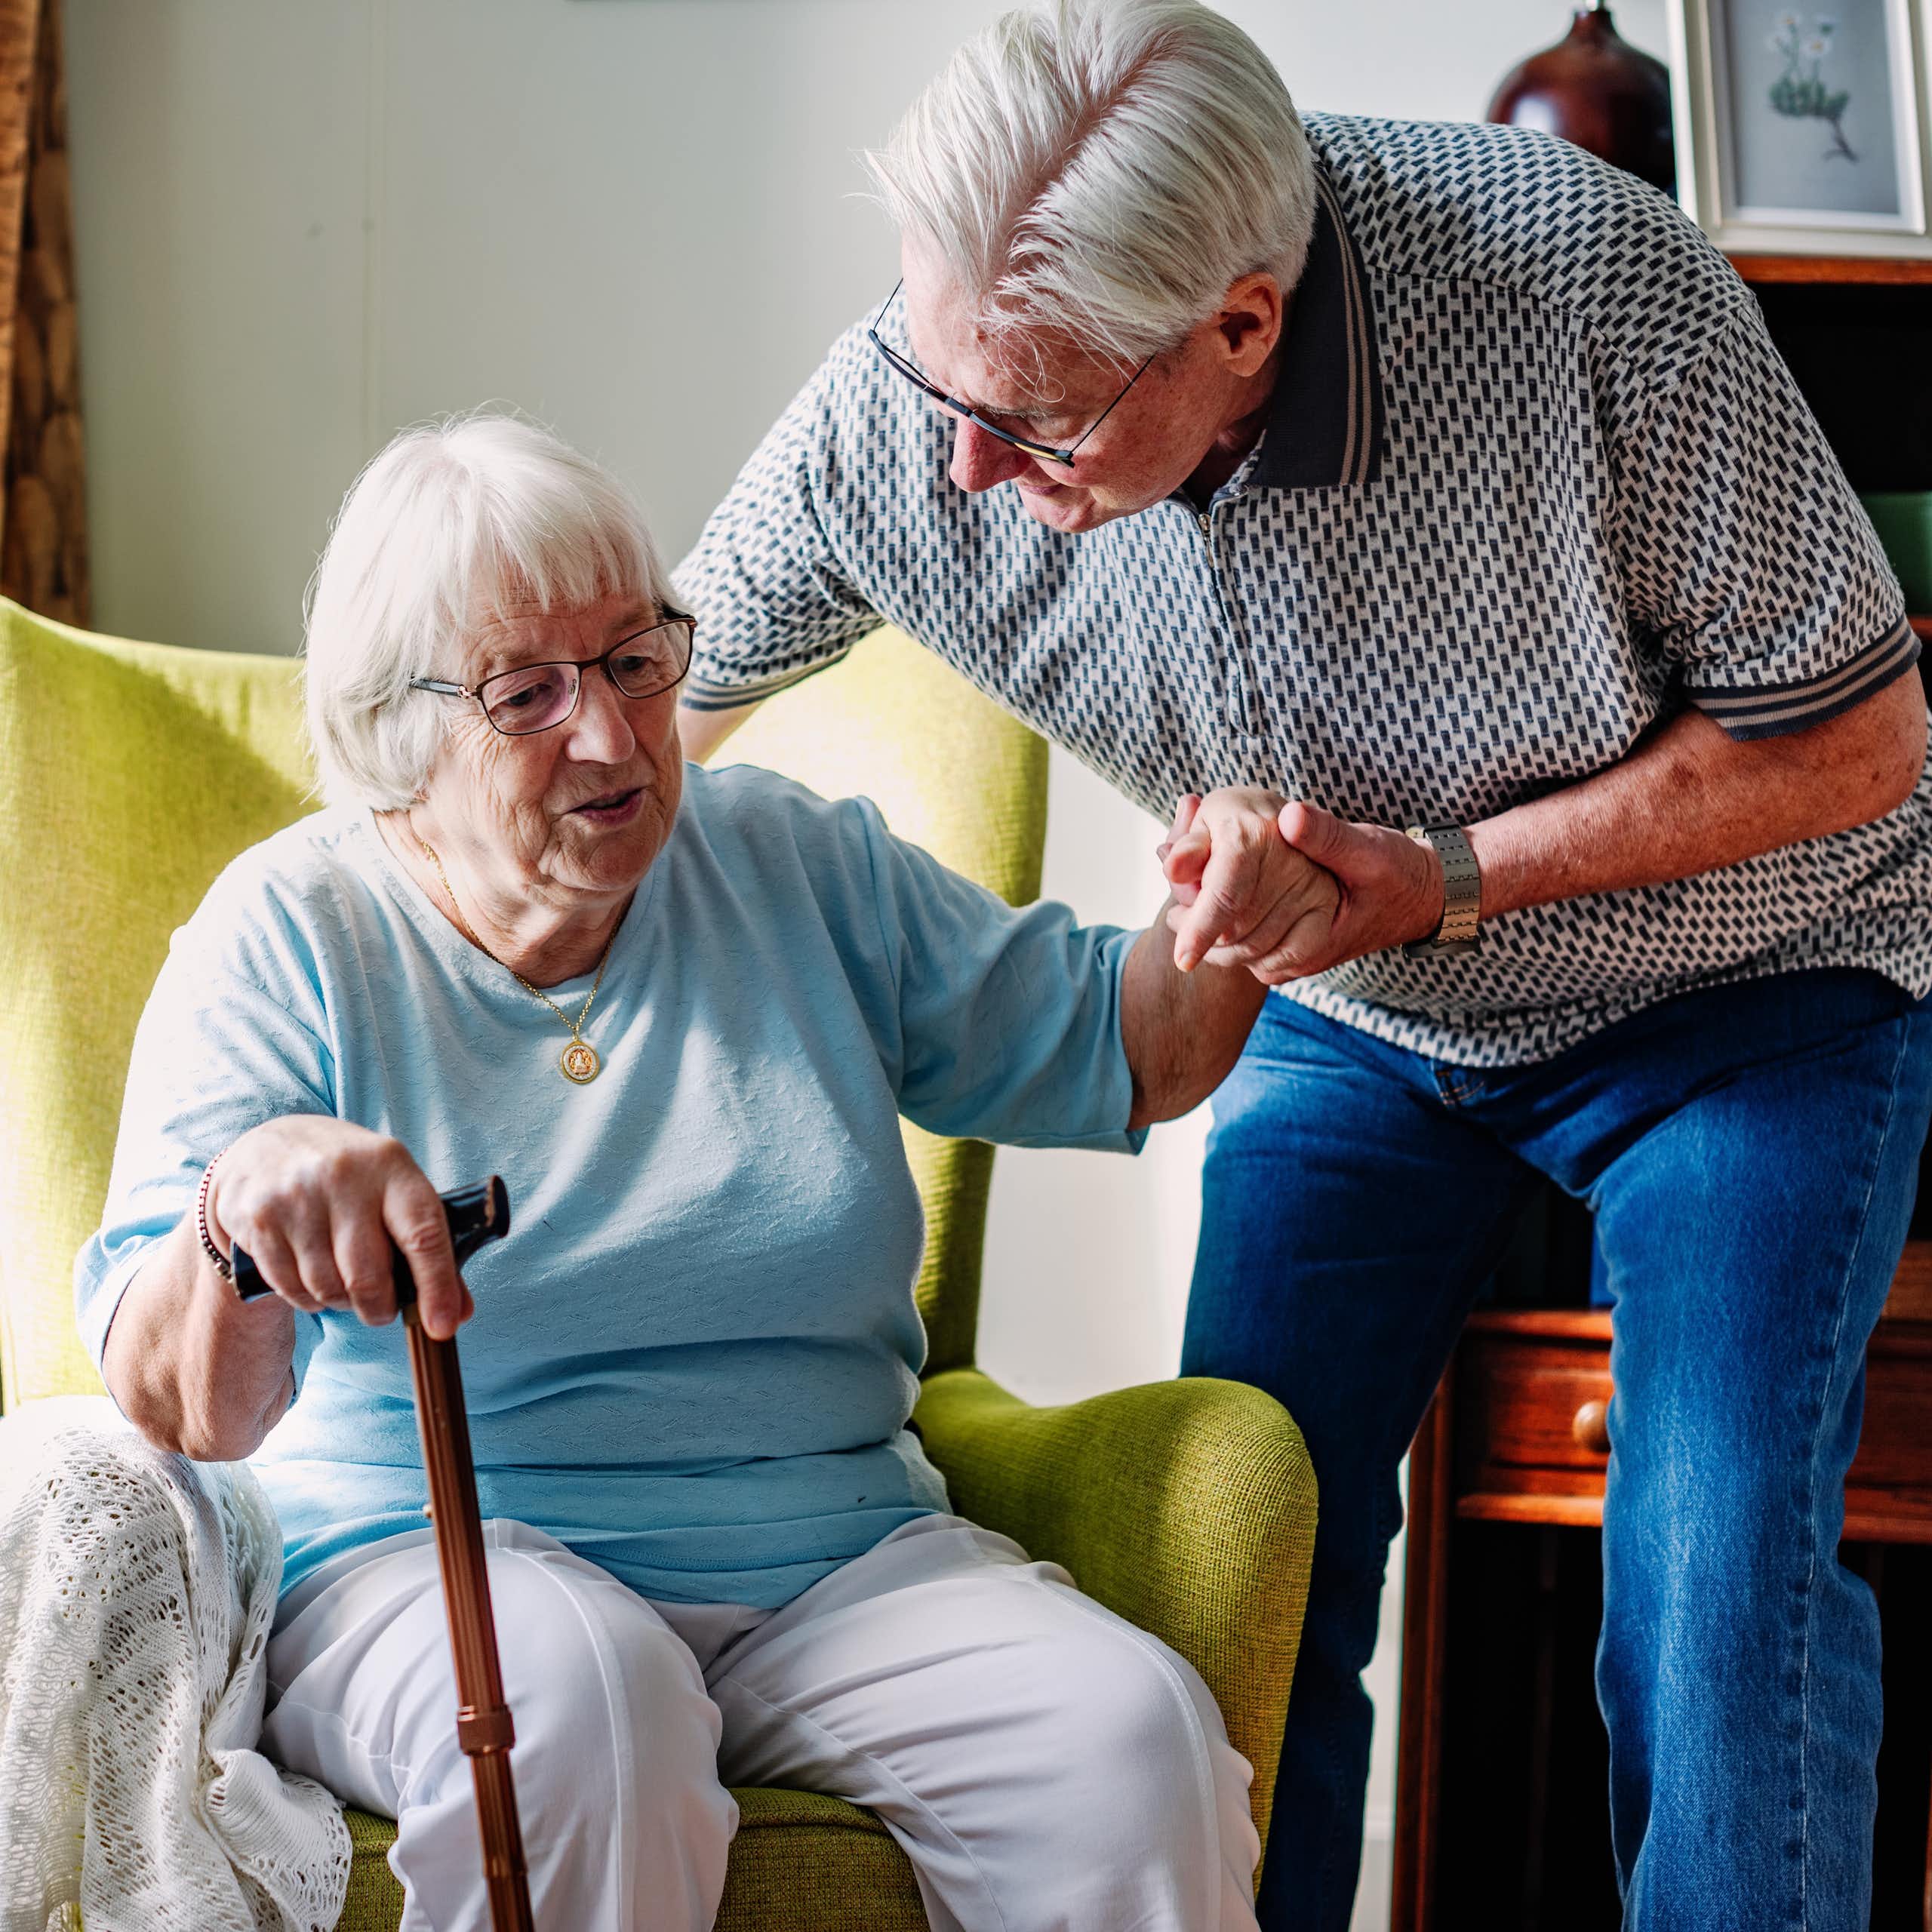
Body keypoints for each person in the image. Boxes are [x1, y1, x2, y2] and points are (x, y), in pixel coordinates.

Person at [670, 3, 1932, 1927]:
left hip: (1741, 997)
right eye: (936, 375)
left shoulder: (1584, 286)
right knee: (1245, 1541)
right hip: (1362, 1021)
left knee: (1707, 1575)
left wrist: (1441, 874)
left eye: (1032, 419)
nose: (955, 463)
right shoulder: (937, 400)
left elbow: (1859, 738)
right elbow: (629, 698)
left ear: (1240, 326)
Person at [76, 413, 1270, 1932]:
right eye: (528, 692)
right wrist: (238, 1209)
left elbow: (1125, 1045)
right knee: (587, 1706)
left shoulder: (790, 863)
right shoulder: (289, 934)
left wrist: (1228, 885)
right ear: (396, 730)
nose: (612, 735)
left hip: (835, 1560)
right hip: (423, 1564)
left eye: (637, 659)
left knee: (1124, 1739)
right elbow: (183, 1406)